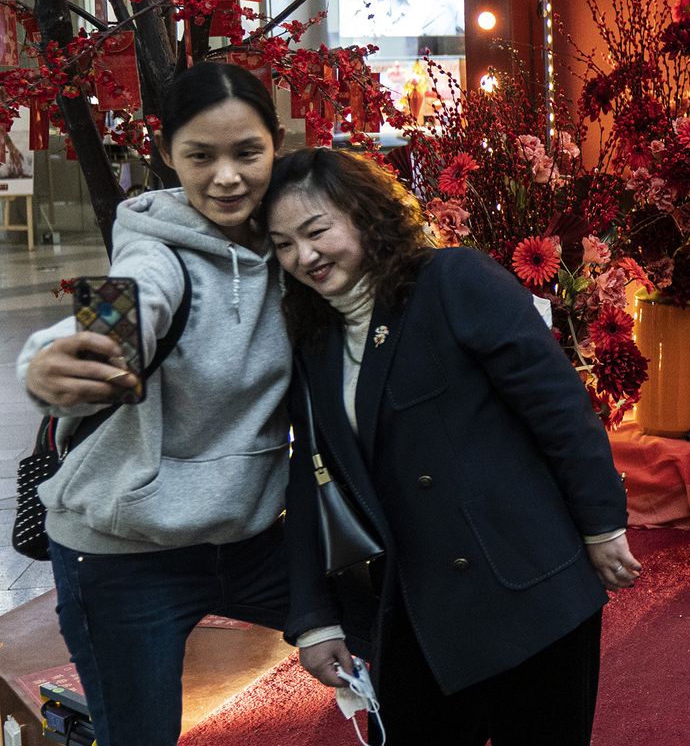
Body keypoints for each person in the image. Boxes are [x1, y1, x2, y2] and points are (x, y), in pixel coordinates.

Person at [265, 148, 638, 745]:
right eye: (283, 244)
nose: (303, 256)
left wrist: (601, 525)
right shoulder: (314, 341)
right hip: (414, 605)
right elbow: (311, 477)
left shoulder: (452, 280)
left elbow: (559, 409)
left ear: (364, 215)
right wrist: (314, 618)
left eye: (316, 231)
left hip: (528, 582)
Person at [16, 62, 292, 746]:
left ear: (277, 145)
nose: (226, 178)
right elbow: (128, 305)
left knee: (403, 630)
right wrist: (53, 360)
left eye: (247, 153)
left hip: (255, 539)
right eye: (200, 156)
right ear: (166, 153)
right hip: (123, 551)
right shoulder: (153, 249)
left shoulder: (297, 240)